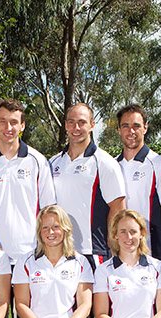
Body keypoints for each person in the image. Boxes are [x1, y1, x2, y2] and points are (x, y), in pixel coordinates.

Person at [0, 99, 56, 263]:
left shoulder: (38, 161)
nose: (8, 128)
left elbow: (48, 209)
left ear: (22, 126)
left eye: (14, 122)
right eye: (3, 121)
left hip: (30, 255)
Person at [50, 103, 126, 266]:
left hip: (92, 252)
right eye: (71, 122)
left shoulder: (104, 162)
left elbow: (118, 208)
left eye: (82, 122)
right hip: (59, 250)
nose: (76, 128)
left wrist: (111, 245)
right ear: (66, 125)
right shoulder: (53, 163)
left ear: (92, 125)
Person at [115, 104, 161, 262]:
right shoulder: (111, 166)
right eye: (125, 126)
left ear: (145, 128)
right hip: (118, 254)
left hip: (150, 255)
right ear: (119, 130)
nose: (131, 131)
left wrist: (155, 245)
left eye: (136, 126)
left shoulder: (160, 165)